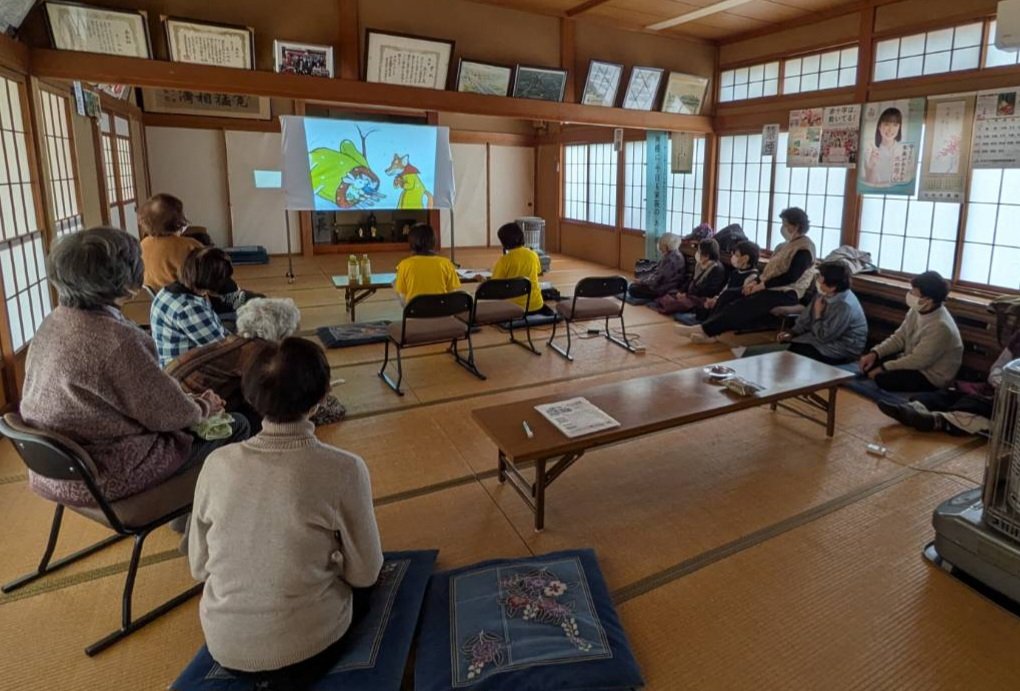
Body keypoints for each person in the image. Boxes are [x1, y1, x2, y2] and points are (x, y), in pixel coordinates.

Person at [189, 337, 383, 689]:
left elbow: (199, 567)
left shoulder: (216, 463)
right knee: (371, 589)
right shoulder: (344, 469)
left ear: (249, 395)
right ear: (323, 396)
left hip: (225, 648)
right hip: (310, 650)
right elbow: (366, 573)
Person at [20, 227, 249, 508]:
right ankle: (191, 512)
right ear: (126, 279)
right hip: (105, 473)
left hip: (54, 470)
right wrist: (204, 406)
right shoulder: (118, 341)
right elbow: (172, 415)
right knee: (237, 424)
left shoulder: (53, 322)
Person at [166, 297, 346, 431]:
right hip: (189, 414)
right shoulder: (259, 354)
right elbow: (275, 398)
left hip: (173, 394)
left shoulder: (233, 340)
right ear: (282, 331)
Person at [677, 207, 816, 344]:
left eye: (785, 224)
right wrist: (754, 283)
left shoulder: (805, 248)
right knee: (728, 295)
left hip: (787, 293)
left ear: (796, 226)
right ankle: (710, 331)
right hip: (769, 287)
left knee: (742, 305)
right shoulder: (787, 245)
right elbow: (770, 271)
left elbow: (791, 277)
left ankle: (705, 330)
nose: (783, 228)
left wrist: (761, 286)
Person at [877, 330, 1020, 435]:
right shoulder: (1017, 338)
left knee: (973, 406)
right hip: (997, 386)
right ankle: (911, 409)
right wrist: (997, 378)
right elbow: (998, 366)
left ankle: (936, 421)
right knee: (948, 395)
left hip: (1012, 401)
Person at [858, 271, 963, 392]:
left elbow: (919, 360)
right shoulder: (916, 310)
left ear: (928, 299)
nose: (910, 294)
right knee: (870, 363)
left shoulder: (941, 326)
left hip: (930, 375)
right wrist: (875, 353)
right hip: (913, 362)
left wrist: (884, 368)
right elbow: (899, 337)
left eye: (914, 292)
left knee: (883, 378)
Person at [150, 247, 231, 367]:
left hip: (169, 365)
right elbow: (222, 351)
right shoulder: (189, 308)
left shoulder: (167, 291)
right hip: (184, 374)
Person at [778, 261, 868, 365]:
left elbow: (824, 337)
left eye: (821, 277)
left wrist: (818, 314)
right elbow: (805, 318)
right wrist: (792, 332)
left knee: (800, 353)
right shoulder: (823, 293)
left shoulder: (844, 305)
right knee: (793, 348)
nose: (818, 279)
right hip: (820, 338)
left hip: (843, 347)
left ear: (832, 286)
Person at [139, 193, 204, 291]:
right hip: (187, 299)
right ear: (179, 220)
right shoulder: (190, 246)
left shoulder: (141, 245)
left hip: (158, 301)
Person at [648, 238, 726, 315]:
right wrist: (682, 292)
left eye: (699, 251)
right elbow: (691, 280)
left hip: (701, 298)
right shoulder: (700, 264)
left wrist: (687, 295)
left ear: (707, 255)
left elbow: (709, 290)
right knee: (671, 294)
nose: (697, 253)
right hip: (691, 294)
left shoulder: (717, 269)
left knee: (677, 302)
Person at [393, 224, 460, 305]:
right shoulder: (446, 263)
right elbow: (452, 294)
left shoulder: (404, 265)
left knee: (395, 283)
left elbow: (404, 301)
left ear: (411, 243)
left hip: (415, 314)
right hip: (442, 313)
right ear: (434, 241)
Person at [491, 221, 545, 313]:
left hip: (513, 308)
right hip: (536, 305)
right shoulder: (533, 254)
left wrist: (482, 280)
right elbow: (538, 272)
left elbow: (495, 285)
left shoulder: (504, 260)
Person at [703, 240, 760, 315]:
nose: (733, 257)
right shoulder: (735, 272)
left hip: (734, 309)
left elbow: (742, 297)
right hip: (724, 302)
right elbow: (725, 289)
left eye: (736, 255)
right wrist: (716, 298)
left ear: (745, 258)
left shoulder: (752, 277)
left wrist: (719, 302)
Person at [628, 233, 685, 301]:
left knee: (632, 288)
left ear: (666, 245)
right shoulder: (675, 254)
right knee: (634, 285)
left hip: (665, 289)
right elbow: (658, 274)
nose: (660, 247)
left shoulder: (670, 259)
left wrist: (642, 282)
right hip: (669, 286)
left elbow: (659, 279)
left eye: (661, 244)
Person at [862, 107, 905, 187]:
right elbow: (868, 185)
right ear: (879, 126)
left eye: (895, 125)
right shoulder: (869, 151)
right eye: (886, 124)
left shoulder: (904, 150)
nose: (890, 129)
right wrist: (872, 166)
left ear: (899, 127)